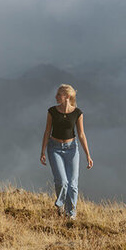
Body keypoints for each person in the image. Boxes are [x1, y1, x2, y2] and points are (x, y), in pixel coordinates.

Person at [39, 83, 92, 220]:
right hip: (54, 148)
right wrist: (43, 151)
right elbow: (47, 132)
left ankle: (71, 214)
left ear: (67, 96)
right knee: (62, 182)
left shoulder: (77, 113)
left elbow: (81, 135)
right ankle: (61, 204)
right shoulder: (52, 111)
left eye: (59, 94)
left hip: (72, 149)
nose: (56, 96)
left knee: (73, 183)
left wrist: (88, 155)